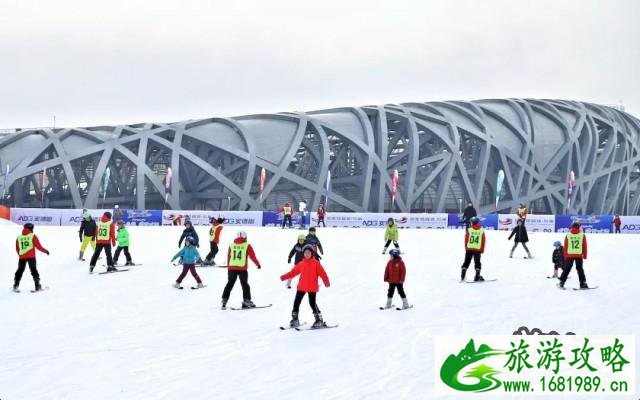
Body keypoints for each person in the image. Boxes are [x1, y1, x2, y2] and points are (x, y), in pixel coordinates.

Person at [280, 244, 330, 328]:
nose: (307, 254)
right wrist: (284, 277)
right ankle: (295, 320)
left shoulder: (316, 263)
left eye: (309, 253)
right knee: (296, 303)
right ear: (303, 253)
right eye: (305, 253)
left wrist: (326, 282)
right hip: (301, 287)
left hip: (312, 287)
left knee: (312, 303)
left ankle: (319, 320)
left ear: (312, 253)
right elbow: (293, 272)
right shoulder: (301, 263)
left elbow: (323, 273)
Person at [221, 231, 262, 309]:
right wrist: (258, 264)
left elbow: (229, 256)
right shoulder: (247, 245)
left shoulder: (231, 245)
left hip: (231, 268)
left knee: (229, 284)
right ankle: (246, 301)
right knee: (245, 285)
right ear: (245, 237)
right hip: (242, 268)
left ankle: (224, 300)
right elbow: (252, 256)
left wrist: (229, 266)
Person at [14, 223, 49, 292]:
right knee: (34, 271)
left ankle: (15, 285)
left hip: (22, 257)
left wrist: (20, 255)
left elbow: (17, 248)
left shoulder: (19, 237)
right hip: (31, 257)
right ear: (31, 228)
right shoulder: (32, 236)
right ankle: (37, 286)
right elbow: (38, 247)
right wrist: (46, 251)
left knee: (20, 271)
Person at [558, 222, 589, 289]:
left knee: (567, 269)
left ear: (572, 227)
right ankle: (583, 283)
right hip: (579, 255)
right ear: (579, 227)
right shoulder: (582, 235)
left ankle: (561, 282)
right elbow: (584, 246)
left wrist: (565, 255)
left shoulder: (568, 235)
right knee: (580, 269)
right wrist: (585, 255)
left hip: (569, 255)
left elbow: (565, 246)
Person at [460, 216, 485, 282]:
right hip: (477, 249)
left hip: (469, 248)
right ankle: (477, 276)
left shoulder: (469, 230)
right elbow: (483, 241)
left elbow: (466, 240)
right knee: (477, 262)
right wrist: (482, 250)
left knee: (466, 261)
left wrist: (466, 247)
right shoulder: (481, 230)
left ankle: (462, 276)